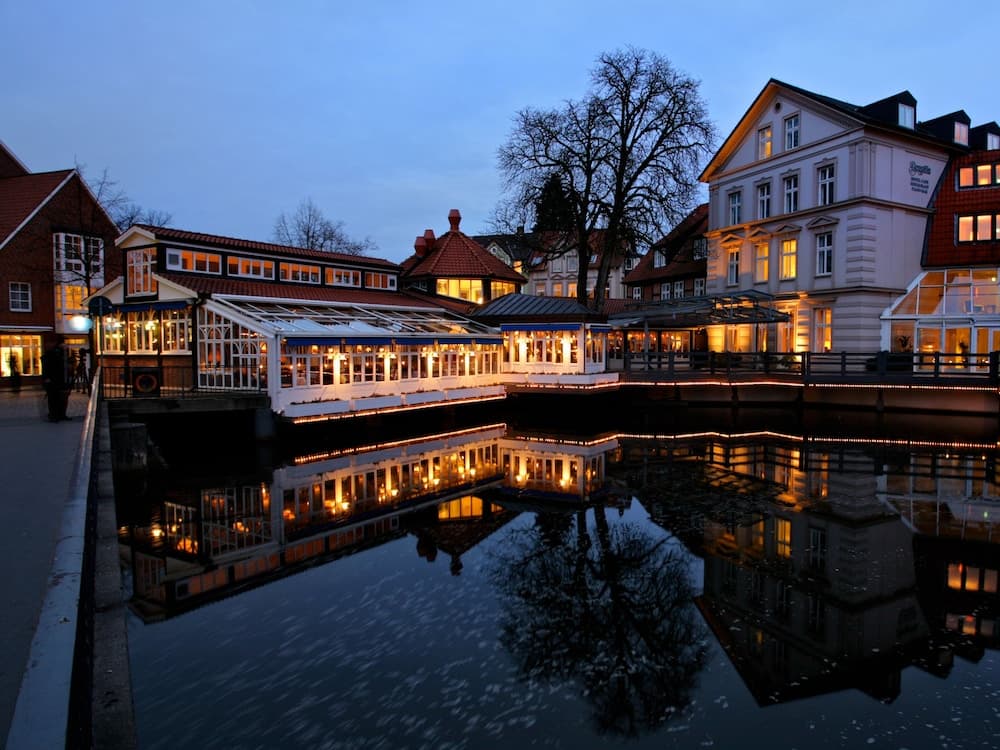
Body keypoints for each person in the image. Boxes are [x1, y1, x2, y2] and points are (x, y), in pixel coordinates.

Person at [41, 337, 70, 421]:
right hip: (54, 380)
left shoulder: (62, 353)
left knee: (60, 398)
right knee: (53, 398)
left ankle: (60, 415)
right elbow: (48, 367)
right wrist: (47, 378)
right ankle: (54, 415)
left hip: (60, 380)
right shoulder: (53, 354)